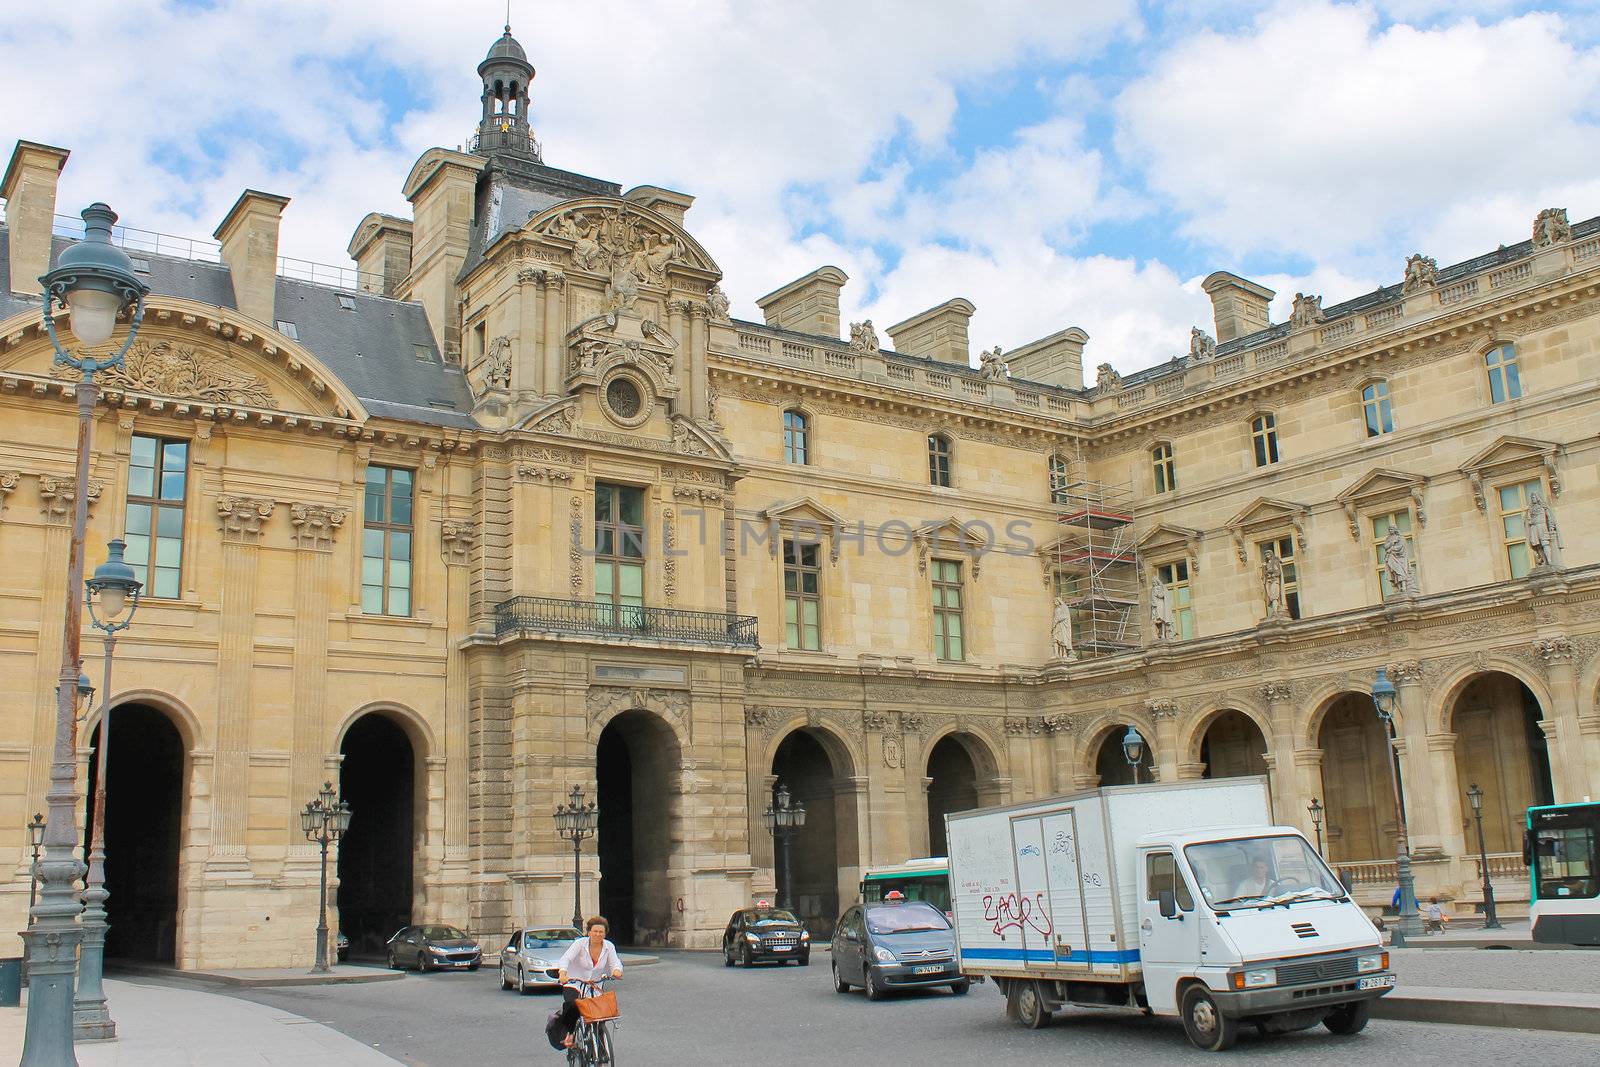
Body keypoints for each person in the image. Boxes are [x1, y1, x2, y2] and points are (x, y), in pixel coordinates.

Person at [554, 916, 624, 1051]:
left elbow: (615, 963)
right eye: (595, 931)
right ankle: (570, 1033)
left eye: (601, 932)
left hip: (594, 986)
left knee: (599, 1017)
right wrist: (563, 973)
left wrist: (616, 971)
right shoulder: (580, 944)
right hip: (574, 982)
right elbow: (566, 959)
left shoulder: (609, 947)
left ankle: (601, 1053)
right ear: (589, 932)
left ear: (605, 933)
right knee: (572, 1005)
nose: (598, 934)